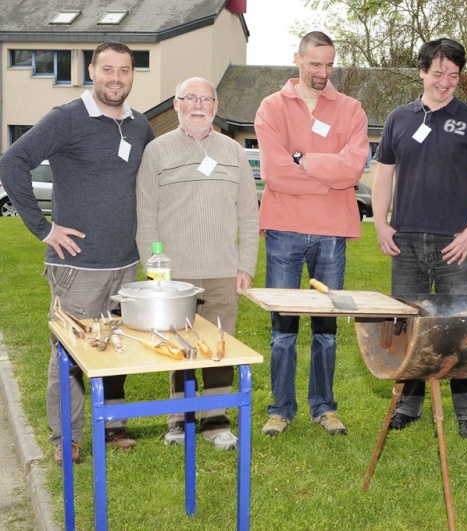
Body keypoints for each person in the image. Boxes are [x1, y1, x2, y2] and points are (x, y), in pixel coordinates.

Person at [0, 41, 155, 464]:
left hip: (127, 262)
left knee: (116, 347)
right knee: (70, 353)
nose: (116, 78)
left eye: (124, 70)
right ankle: (65, 438)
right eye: (108, 69)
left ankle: (112, 426)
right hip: (78, 266)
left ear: (132, 75)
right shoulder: (66, 119)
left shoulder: (140, 126)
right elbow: (12, 161)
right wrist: (43, 228)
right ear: (92, 70)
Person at [372, 38, 467, 440]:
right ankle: (408, 406)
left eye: (454, 75)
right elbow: (383, 175)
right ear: (423, 71)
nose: (445, 82)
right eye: (438, 73)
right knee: (408, 325)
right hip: (405, 242)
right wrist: (380, 222)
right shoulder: (399, 119)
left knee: (462, 326)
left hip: (454, 245)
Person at [254, 31, 369, 437]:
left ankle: (324, 407)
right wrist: (326, 176)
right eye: (316, 63)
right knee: (282, 327)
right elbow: (273, 172)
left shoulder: (351, 109)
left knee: (326, 328)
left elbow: (353, 169)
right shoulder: (271, 107)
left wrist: (303, 161)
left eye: (329, 64)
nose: (323, 72)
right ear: (298, 60)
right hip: (284, 229)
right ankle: (281, 408)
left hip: (332, 233)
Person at [135, 77, 259, 450]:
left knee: (219, 348)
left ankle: (216, 421)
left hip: (223, 269)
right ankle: (178, 420)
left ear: (216, 106)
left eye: (206, 98)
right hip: (174, 274)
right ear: (176, 105)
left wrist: (246, 264)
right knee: (180, 348)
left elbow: (249, 214)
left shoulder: (233, 152)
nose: (198, 105)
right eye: (190, 98)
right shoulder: (157, 151)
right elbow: (145, 214)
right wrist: (154, 271)